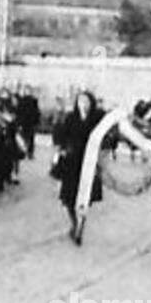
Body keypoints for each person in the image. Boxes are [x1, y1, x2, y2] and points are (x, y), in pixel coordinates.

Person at [51, 90, 105, 244]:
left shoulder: (96, 119)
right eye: (81, 101)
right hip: (71, 162)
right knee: (69, 198)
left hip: (88, 162)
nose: (84, 104)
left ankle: (80, 228)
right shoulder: (71, 118)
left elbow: (106, 134)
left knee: (84, 197)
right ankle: (74, 223)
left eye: (86, 101)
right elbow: (62, 135)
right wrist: (61, 149)